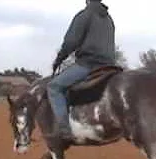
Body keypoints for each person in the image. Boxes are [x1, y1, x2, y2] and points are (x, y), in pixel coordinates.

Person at [48, 0, 116, 139]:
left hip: (89, 64)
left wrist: (59, 59)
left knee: (54, 86)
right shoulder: (109, 19)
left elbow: (70, 42)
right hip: (110, 66)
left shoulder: (85, 15)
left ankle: (64, 129)